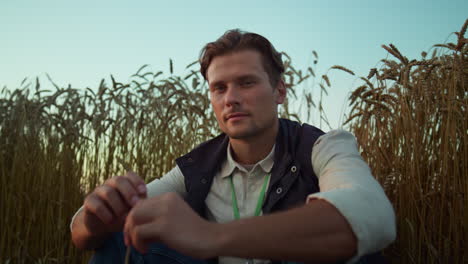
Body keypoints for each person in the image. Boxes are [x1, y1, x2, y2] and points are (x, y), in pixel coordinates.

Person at [70, 29, 396, 264]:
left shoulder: (321, 146)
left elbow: (374, 216)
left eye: (246, 82)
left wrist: (210, 236)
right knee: (123, 239)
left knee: (352, 247)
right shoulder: (195, 168)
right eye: (219, 88)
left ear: (279, 91)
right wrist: (97, 218)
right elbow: (80, 229)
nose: (231, 99)